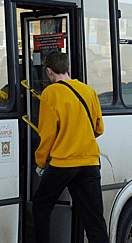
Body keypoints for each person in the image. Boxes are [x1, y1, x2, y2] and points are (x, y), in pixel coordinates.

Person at [32, 51, 109, 243]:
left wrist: (40, 163)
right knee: (94, 219)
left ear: (49, 72)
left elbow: (48, 135)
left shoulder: (50, 93)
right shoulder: (89, 91)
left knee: (41, 206)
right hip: (90, 162)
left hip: (63, 164)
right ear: (68, 69)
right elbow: (98, 129)